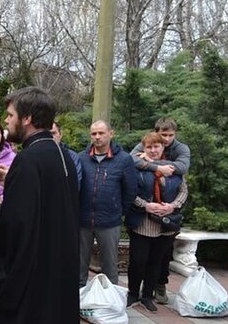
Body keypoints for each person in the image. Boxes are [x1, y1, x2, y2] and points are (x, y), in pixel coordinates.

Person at [0, 87, 80, 324]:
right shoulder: (62, 156)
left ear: (28, 118)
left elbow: (14, 228)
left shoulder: (28, 159)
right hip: (56, 274)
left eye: (10, 115)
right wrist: (14, 180)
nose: (6, 121)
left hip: (30, 282)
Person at [129, 117, 191, 303]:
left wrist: (173, 206)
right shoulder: (140, 159)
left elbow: (183, 185)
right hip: (143, 220)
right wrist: (146, 205)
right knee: (139, 260)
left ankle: (151, 293)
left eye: (169, 136)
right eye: (162, 136)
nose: (166, 139)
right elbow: (129, 184)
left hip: (166, 220)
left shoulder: (180, 152)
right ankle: (133, 293)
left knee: (158, 260)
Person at [78, 120, 138, 286]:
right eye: (93, 134)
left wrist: (118, 211)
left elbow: (131, 190)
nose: (97, 137)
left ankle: (110, 300)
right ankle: (78, 298)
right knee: (79, 263)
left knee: (110, 265)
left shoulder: (124, 160)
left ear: (111, 133)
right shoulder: (81, 158)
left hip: (109, 221)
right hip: (83, 220)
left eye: (101, 133)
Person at [51, 122, 82, 186]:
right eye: (47, 134)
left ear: (60, 134)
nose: (51, 137)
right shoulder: (37, 156)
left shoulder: (72, 157)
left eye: (53, 133)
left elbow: (76, 183)